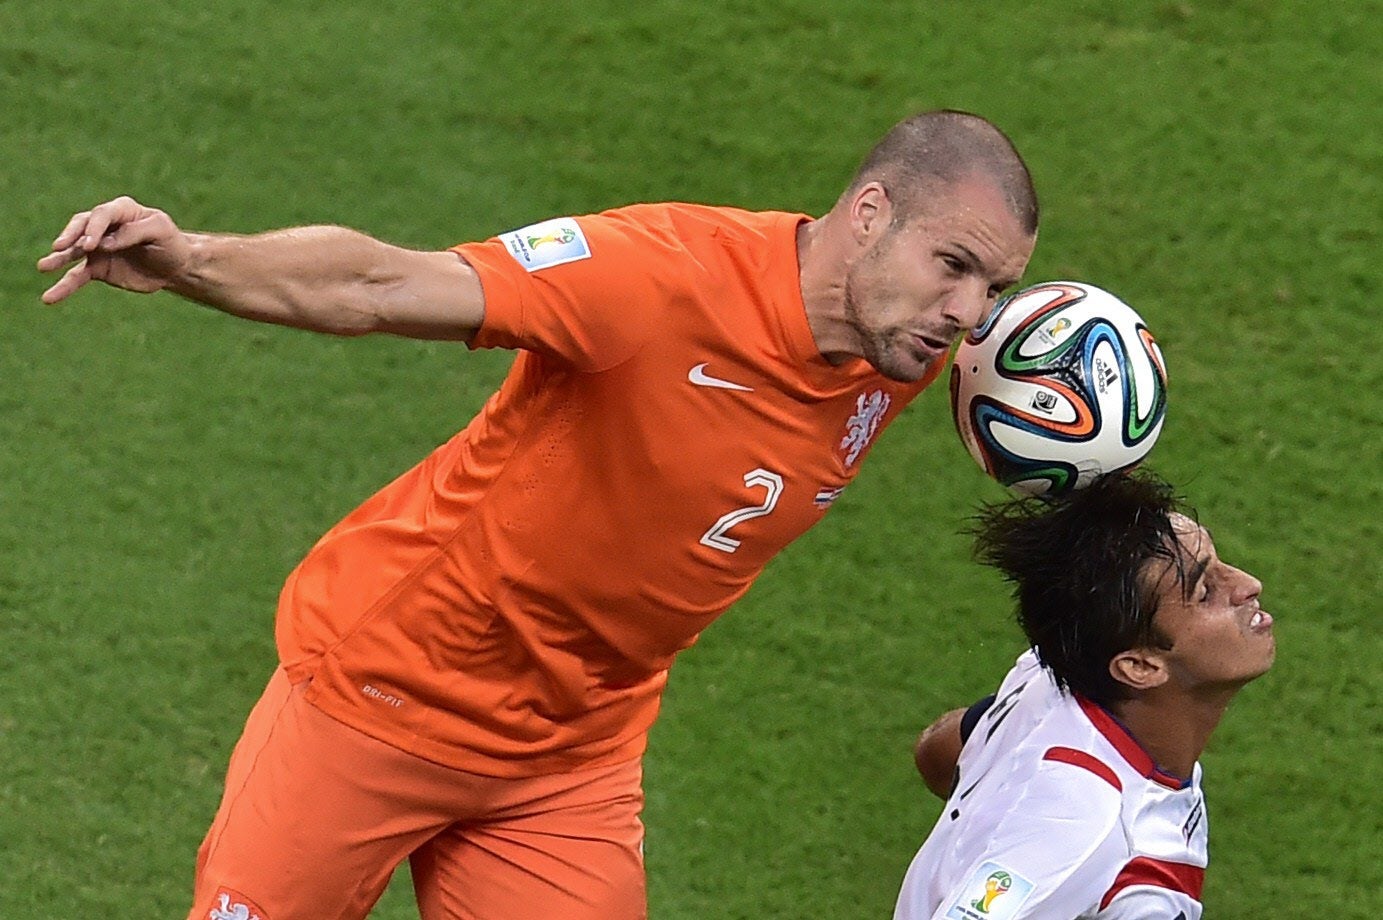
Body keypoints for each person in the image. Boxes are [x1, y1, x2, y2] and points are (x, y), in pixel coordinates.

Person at [38, 110, 1038, 920]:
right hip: (383, 696)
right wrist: (191, 259)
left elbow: (1063, 394)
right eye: (952, 264)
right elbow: (384, 282)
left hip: (569, 755)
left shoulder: (904, 348)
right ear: (868, 213)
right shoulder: (654, 277)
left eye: (994, 286)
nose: (967, 311)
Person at [894, 473, 1275, 920]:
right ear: (1140, 666)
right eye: (1206, 592)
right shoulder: (1083, 825)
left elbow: (937, 753)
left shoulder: (1047, 682)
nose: (1247, 584)